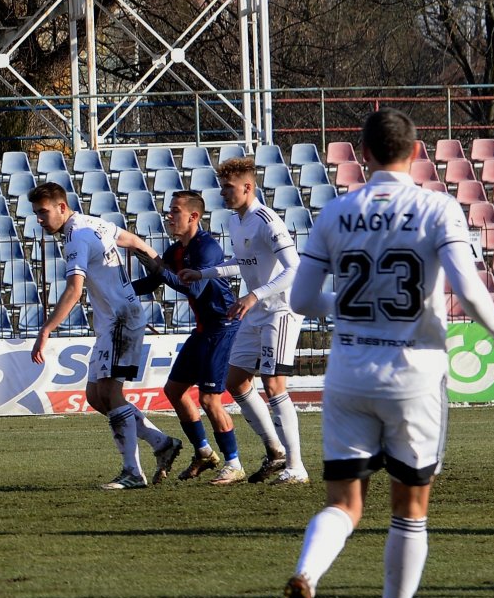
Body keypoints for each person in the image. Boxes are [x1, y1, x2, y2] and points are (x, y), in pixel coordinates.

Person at [278, 109, 494, 598]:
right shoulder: (436, 208)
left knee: (344, 503)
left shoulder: (337, 211)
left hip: (348, 374)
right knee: (410, 509)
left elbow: (302, 299)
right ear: (416, 152)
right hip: (413, 376)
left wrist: (353, 308)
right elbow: (466, 288)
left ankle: (306, 575)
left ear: (362, 153)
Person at [28, 184, 176, 490]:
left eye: (43, 212)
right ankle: (162, 443)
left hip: (120, 318)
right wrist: (159, 266)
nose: (40, 220)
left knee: (110, 393)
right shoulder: (92, 223)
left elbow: (74, 290)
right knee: (96, 397)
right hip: (113, 321)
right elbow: (132, 240)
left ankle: (132, 472)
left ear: (62, 207)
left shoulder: (76, 237)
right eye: (36, 214)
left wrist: (46, 330)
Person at [177, 157, 307, 484]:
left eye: (228, 187)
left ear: (248, 187)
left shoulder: (267, 220)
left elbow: (295, 268)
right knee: (235, 380)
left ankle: (296, 467)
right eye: (222, 187)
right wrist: (204, 273)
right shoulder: (236, 221)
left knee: (273, 384)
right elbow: (242, 261)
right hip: (257, 308)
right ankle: (276, 451)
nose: (223, 193)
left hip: (281, 309)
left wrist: (253, 296)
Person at [133, 191, 246, 483]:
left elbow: (193, 288)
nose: (168, 216)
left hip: (222, 326)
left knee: (209, 399)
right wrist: (115, 290)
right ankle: (204, 452)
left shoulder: (207, 248)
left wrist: (158, 267)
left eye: (175, 211)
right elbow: (153, 281)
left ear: (193, 216)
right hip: (203, 329)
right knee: (174, 391)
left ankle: (234, 463)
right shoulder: (176, 250)